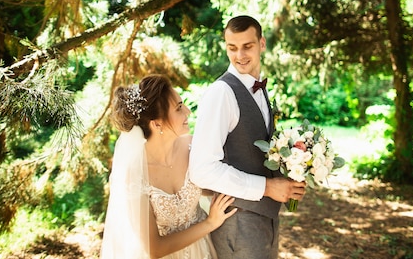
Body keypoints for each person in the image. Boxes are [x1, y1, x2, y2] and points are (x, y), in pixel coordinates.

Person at [189, 15, 307, 259]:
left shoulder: (259, 89)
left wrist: (292, 174)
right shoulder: (221, 93)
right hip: (237, 223)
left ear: (262, 43)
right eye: (232, 48)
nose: (240, 55)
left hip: (266, 220)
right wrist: (267, 187)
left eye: (247, 46)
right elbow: (201, 170)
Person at [101, 74, 238, 259]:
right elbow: (153, 249)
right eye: (179, 108)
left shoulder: (192, 146)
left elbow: (208, 185)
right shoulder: (134, 175)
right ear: (157, 123)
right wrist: (210, 223)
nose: (188, 112)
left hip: (204, 251)